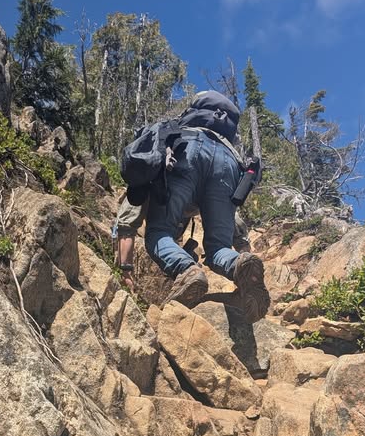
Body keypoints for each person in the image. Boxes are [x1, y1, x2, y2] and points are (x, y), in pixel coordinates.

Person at [142, 91, 269, 322]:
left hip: (188, 147)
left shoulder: (193, 115)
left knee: (159, 232)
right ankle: (239, 264)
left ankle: (187, 271)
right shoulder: (228, 133)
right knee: (218, 246)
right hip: (229, 161)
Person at [113, 194, 251, 294]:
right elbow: (227, 212)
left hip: (167, 195)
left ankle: (188, 270)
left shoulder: (150, 174)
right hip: (198, 192)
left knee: (155, 236)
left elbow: (126, 224)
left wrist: (125, 272)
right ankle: (245, 269)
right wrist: (243, 245)